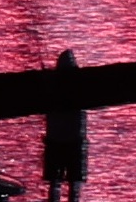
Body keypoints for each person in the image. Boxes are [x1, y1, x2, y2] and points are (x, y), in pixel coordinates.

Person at [42, 49, 89, 193]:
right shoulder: (81, 85)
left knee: (54, 181)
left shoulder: (50, 85)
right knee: (74, 181)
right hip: (73, 140)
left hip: (55, 140)